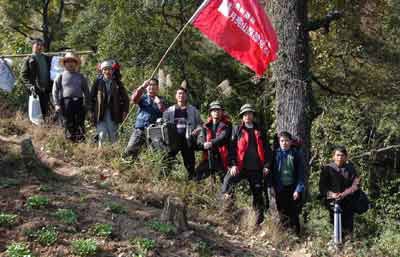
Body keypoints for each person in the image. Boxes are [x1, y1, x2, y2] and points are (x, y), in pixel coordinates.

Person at [221, 104, 271, 225]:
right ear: (242, 117)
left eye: (249, 113)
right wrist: (232, 164)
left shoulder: (260, 130)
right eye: (245, 114)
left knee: (258, 195)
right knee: (227, 183)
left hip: (256, 169)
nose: (247, 116)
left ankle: (257, 222)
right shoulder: (237, 129)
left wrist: (267, 165)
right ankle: (225, 214)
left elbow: (267, 150)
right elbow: (231, 148)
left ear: (253, 115)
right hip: (240, 167)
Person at [319, 146, 360, 236]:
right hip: (332, 202)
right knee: (333, 226)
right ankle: (335, 245)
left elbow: (356, 185)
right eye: (337, 155)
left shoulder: (351, 168)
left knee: (348, 227)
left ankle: (348, 246)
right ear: (333, 156)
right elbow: (322, 187)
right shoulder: (327, 169)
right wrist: (331, 194)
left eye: (342, 155)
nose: (340, 158)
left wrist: (344, 194)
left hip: (348, 202)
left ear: (346, 157)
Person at [163, 87, 202, 179]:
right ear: (176, 96)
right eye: (179, 93)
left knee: (190, 162)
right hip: (173, 140)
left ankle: (192, 181)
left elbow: (201, 124)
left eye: (183, 93)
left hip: (187, 139)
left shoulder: (193, 110)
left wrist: (196, 131)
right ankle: (164, 178)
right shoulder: (169, 110)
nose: (181, 95)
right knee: (168, 159)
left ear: (186, 96)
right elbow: (163, 125)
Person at [270, 131, 305, 235]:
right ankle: (285, 236)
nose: (284, 143)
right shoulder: (275, 154)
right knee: (282, 213)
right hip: (280, 188)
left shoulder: (296, 154)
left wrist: (298, 190)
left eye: (286, 141)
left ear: (290, 142)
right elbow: (271, 172)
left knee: (294, 213)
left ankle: (296, 236)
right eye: (282, 141)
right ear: (279, 142)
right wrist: (272, 186)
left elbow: (301, 174)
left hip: (293, 188)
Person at [124, 78, 166, 158]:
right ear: (147, 87)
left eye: (154, 85)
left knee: (153, 156)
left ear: (158, 87)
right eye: (149, 85)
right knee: (129, 150)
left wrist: (159, 103)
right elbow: (134, 99)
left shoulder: (162, 99)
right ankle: (124, 166)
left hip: (154, 132)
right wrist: (142, 87)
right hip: (140, 129)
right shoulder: (143, 98)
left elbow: (165, 113)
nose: (151, 87)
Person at [90, 60, 129, 147]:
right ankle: (101, 155)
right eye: (105, 69)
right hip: (100, 113)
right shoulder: (97, 82)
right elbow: (91, 98)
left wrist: (125, 111)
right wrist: (92, 112)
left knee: (113, 135)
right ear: (102, 70)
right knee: (102, 134)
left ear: (113, 70)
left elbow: (126, 99)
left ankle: (115, 155)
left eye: (109, 69)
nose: (107, 71)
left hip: (114, 113)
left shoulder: (117, 83)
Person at [52, 52, 90, 142]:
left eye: (72, 61)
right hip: (66, 103)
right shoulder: (60, 76)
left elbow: (87, 91)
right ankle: (70, 142)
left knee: (80, 122)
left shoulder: (81, 76)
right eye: (68, 61)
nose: (70, 63)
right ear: (64, 64)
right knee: (67, 122)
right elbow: (55, 91)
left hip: (79, 102)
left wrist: (87, 104)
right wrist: (56, 104)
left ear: (76, 64)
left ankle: (80, 142)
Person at [195, 101, 232, 181]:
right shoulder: (205, 126)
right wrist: (202, 145)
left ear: (222, 112)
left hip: (223, 158)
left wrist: (211, 143)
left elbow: (223, 137)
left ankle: (226, 193)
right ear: (210, 112)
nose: (216, 112)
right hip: (208, 156)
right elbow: (200, 141)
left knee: (226, 182)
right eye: (214, 110)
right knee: (197, 175)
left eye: (218, 110)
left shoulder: (227, 124)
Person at [21, 38, 52, 118]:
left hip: (46, 89)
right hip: (35, 90)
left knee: (45, 111)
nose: (40, 46)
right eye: (37, 44)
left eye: (41, 45)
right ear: (33, 46)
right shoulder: (29, 59)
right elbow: (23, 75)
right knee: (36, 112)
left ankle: (45, 128)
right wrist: (30, 86)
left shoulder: (47, 58)